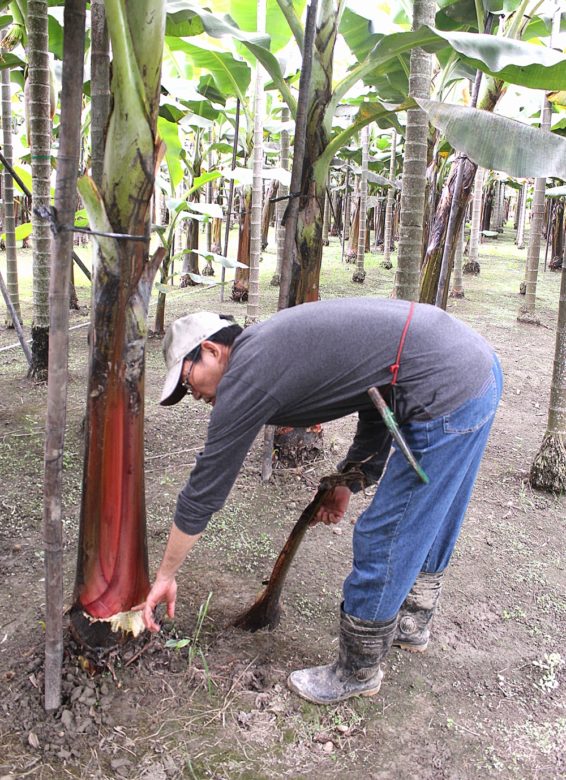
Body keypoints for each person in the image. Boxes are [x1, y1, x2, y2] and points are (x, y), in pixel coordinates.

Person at [137, 298, 503, 705]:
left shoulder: (246, 373)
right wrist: (351, 479)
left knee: (388, 530)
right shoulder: (267, 350)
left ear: (211, 350)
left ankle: (356, 671)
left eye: (188, 383)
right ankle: (412, 623)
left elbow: (206, 486)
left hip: (447, 385)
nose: (195, 396)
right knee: (433, 510)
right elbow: (377, 393)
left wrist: (166, 574)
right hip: (473, 369)